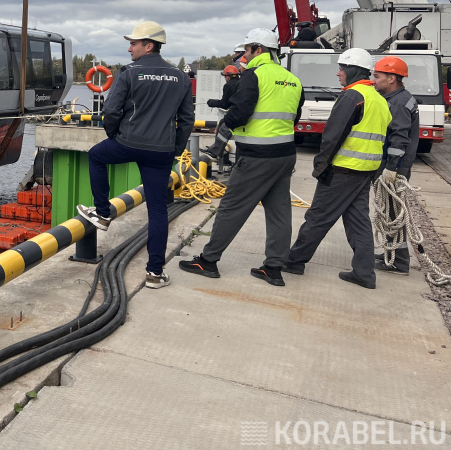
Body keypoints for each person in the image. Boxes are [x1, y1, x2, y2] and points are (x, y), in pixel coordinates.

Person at [179, 28, 304, 286]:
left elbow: (240, 111)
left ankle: (208, 260)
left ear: (259, 49)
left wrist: (227, 125)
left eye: (246, 50)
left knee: (231, 207)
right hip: (285, 155)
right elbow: (296, 116)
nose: (243, 56)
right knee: (279, 212)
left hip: (257, 155)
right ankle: (274, 268)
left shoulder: (254, 76)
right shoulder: (292, 79)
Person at [77, 21, 195, 289]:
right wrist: (174, 150)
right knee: (157, 211)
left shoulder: (129, 72)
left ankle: (103, 213)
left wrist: (114, 136)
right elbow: (186, 120)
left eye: (134, 43)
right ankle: (155, 273)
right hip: (162, 151)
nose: (129, 48)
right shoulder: (181, 77)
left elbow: (112, 111)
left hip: (128, 142)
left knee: (96, 156)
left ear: (149, 45)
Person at [284, 48, 392, 289]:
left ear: (353, 71)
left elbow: (332, 136)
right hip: (366, 171)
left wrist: (320, 166)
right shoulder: (379, 99)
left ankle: (294, 261)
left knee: (318, 218)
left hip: (343, 170)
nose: (338, 73)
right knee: (358, 221)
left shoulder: (352, 96)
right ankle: (364, 274)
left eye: (342, 69)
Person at [372, 56, 419, 274]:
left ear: (392, 78)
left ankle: (399, 261)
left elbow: (400, 138)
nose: (374, 80)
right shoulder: (399, 97)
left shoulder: (398, 103)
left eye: (377, 76)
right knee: (391, 213)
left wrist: (391, 167)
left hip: (395, 167)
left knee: (393, 215)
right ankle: (392, 254)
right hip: (398, 165)